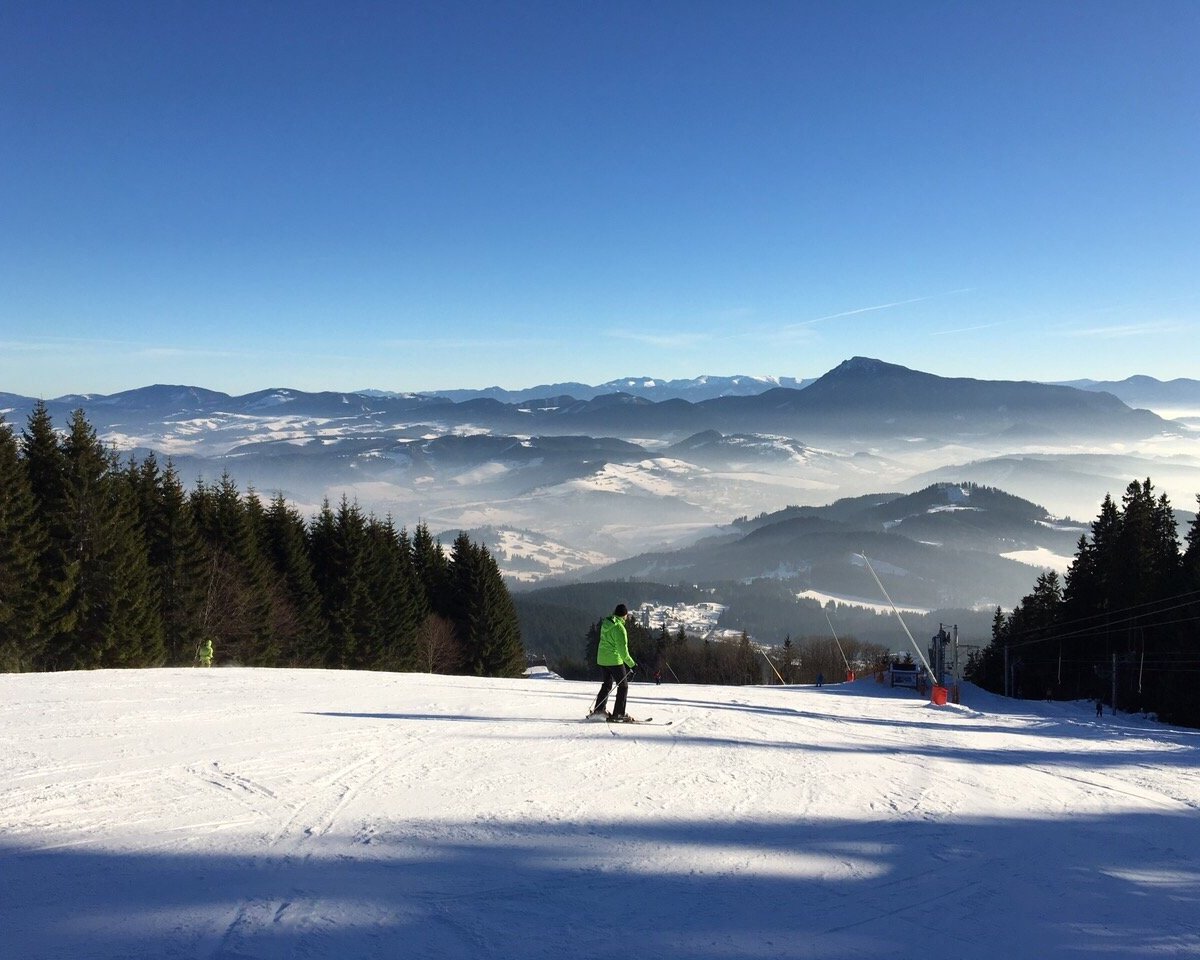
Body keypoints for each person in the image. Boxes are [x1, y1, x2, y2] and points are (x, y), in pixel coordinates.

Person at [590, 604, 637, 721]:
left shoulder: (606, 623)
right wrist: (632, 664)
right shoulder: (619, 628)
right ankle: (619, 714)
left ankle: (599, 710)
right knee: (623, 686)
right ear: (625, 615)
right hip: (614, 660)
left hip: (602, 659)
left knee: (607, 684)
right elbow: (623, 651)